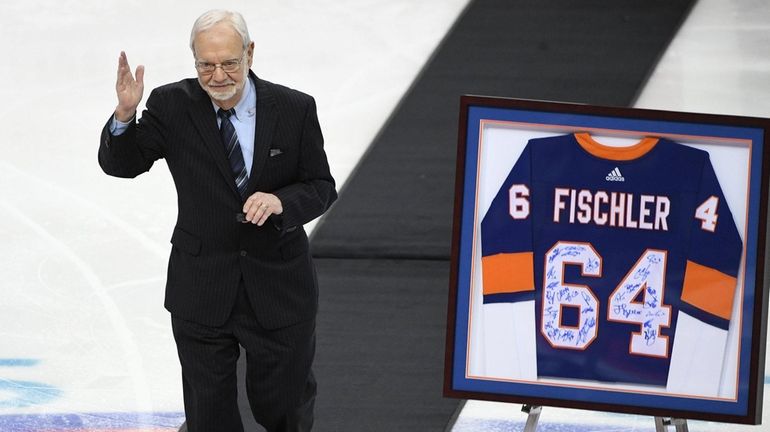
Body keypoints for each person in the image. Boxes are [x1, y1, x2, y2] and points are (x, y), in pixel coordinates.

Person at [98, 9, 336, 432]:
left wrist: (281, 202)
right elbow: (124, 164)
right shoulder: (172, 104)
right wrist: (124, 116)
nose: (218, 75)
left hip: (279, 288)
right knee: (209, 417)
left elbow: (321, 186)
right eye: (206, 64)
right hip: (202, 285)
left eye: (229, 62)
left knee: (284, 407)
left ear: (250, 53)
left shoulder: (295, 108)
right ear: (194, 62)